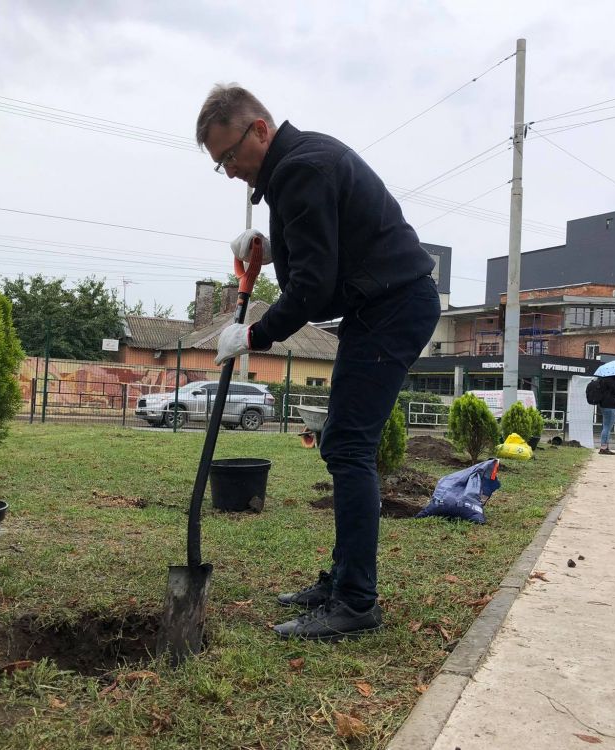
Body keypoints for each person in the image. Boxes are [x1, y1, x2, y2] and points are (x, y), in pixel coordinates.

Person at [196, 85, 440, 640]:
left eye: (230, 155)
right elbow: (326, 250)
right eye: (219, 165)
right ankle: (341, 582)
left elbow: (311, 290)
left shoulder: (302, 170)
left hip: (393, 306)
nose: (230, 171)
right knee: (339, 443)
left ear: (258, 129)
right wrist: (273, 246)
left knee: (350, 446)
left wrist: (253, 335)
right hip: (379, 304)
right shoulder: (297, 167)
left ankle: (355, 603)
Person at [595, 376, 615, 455]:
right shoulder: (608, 380)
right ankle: (603, 448)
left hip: (606, 405)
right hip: (610, 406)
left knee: (607, 427)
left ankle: (605, 447)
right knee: (607, 427)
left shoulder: (605, 379)